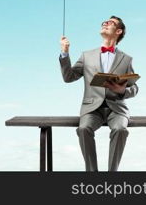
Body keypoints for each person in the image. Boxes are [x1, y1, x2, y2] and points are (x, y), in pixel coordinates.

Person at [59, 16, 138, 171]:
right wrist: (65, 53)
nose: (105, 23)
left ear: (118, 31)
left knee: (120, 130)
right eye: (104, 22)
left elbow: (135, 88)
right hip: (92, 108)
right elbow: (68, 77)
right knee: (83, 129)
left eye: (110, 23)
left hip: (117, 109)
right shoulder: (86, 56)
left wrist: (122, 90)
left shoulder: (127, 59)